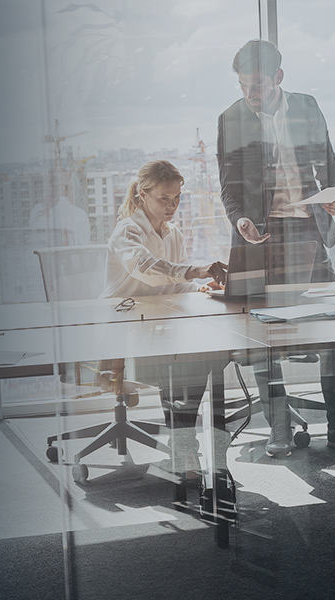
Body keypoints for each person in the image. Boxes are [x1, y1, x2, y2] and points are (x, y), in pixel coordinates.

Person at [217, 39, 335, 456]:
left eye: (258, 85)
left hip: (309, 231)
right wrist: (240, 220)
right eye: (243, 86)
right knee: (262, 336)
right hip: (261, 238)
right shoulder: (231, 119)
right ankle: (278, 426)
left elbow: (328, 163)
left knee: (333, 329)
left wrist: (334, 195)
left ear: (278, 78)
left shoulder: (306, 106)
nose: (251, 94)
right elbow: (229, 188)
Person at [101, 159, 228, 477]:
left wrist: (200, 286)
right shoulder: (127, 231)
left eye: (177, 199)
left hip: (158, 324)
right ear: (143, 195)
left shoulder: (172, 234)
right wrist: (195, 270)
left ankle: (183, 447)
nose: (172, 206)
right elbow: (147, 268)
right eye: (164, 199)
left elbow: (176, 284)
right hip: (121, 324)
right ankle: (184, 448)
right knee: (186, 361)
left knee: (206, 353)